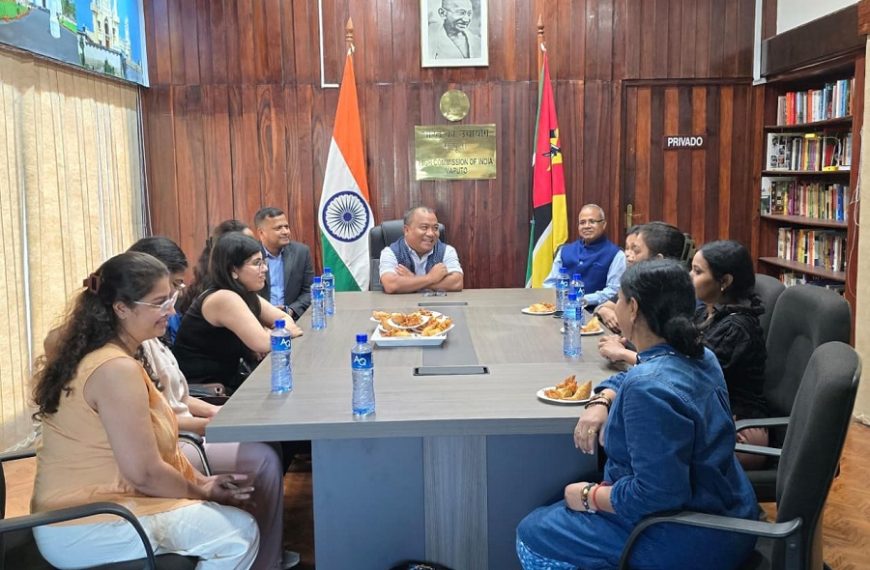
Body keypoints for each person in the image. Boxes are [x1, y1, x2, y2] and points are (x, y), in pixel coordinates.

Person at [517, 260, 758, 570]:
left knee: (532, 533)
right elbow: (642, 369)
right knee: (554, 509)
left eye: (618, 299)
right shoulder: (699, 354)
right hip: (729, 509)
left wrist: (589, 496)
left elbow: (658, 495)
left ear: (632, 308)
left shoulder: (647, 390)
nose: (614, 306)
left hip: (687, 534)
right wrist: (602, 399)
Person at [31, 252, 259, 569]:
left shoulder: (104, 353)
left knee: (234, 524)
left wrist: (201, 483)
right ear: (121, 308)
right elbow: (145, 473)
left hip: (96, 512)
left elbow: (152, 454)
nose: (171, 310)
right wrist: (200, 492)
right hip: (84, 524)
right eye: (159, 302)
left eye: (172, 298)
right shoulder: (113, 368)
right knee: (239, 533)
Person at [128, 237, 299, 570]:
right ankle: (265, 559)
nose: (175, 308)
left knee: (268, 446)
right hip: (174, 439)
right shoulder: (122, 357)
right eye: (165, 297)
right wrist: (211, 421)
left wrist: (213, 414)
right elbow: (156, 424)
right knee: (262, 457)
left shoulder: (152, 341)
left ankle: (264, 551)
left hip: (188, 419)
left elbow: (175, 399)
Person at [173, 232, 302, 393]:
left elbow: (283, 318)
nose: (265, 269)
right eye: (257, 263)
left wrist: (279, 331)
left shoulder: (244, 294)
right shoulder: (223, 298)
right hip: (205, 390)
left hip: (228, 381)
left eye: (263, 262)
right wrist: (283, 331)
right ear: (233, 270)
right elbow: (263, 343)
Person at [691, 240, 769, 467]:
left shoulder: (736, 328)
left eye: (697, 271)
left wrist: (629, 357)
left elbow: (692, 374)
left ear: (724, 281)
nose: (690, 276)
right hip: (712, 414)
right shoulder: (705, 311)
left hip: (740, 431)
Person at [596, 222, 688, 364]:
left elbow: (672, 363)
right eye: (628, 249)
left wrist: (622, 353)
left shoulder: (675, 299)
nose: (629, 255)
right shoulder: (638, 284)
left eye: (636, 250)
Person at [175, 219, 256, 333]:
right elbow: (260, 341)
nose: (255, 247)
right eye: (248, 242)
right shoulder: (217, 291)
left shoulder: (246, 281)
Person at [543, 204, 626, 308]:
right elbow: (550, 283)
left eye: (592, 221)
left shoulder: (616, 255)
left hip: (595, 313)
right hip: (560, 308)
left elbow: (614, 291)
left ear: (604, 224)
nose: (587, 226)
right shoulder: (564, 251)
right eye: (582, 222)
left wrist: (583, 299)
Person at [379, 206, 464, 294]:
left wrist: (413, 278)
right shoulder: (390, 252)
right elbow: (391, 285)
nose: (431, 234)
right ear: (406, 230)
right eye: (424, 227)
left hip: (436, 305)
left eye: (435, 228)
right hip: (402, 306)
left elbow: (457, 283)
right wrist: (430, 278)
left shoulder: (447, 251)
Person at [254, 207, 314, 319]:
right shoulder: (250, 255)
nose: (286, 232)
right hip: (258, 321)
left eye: (286, 227)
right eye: (278, 228)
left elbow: (309, 291)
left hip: (292, 319)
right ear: (261, 232)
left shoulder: (301, 252)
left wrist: (291, 310)